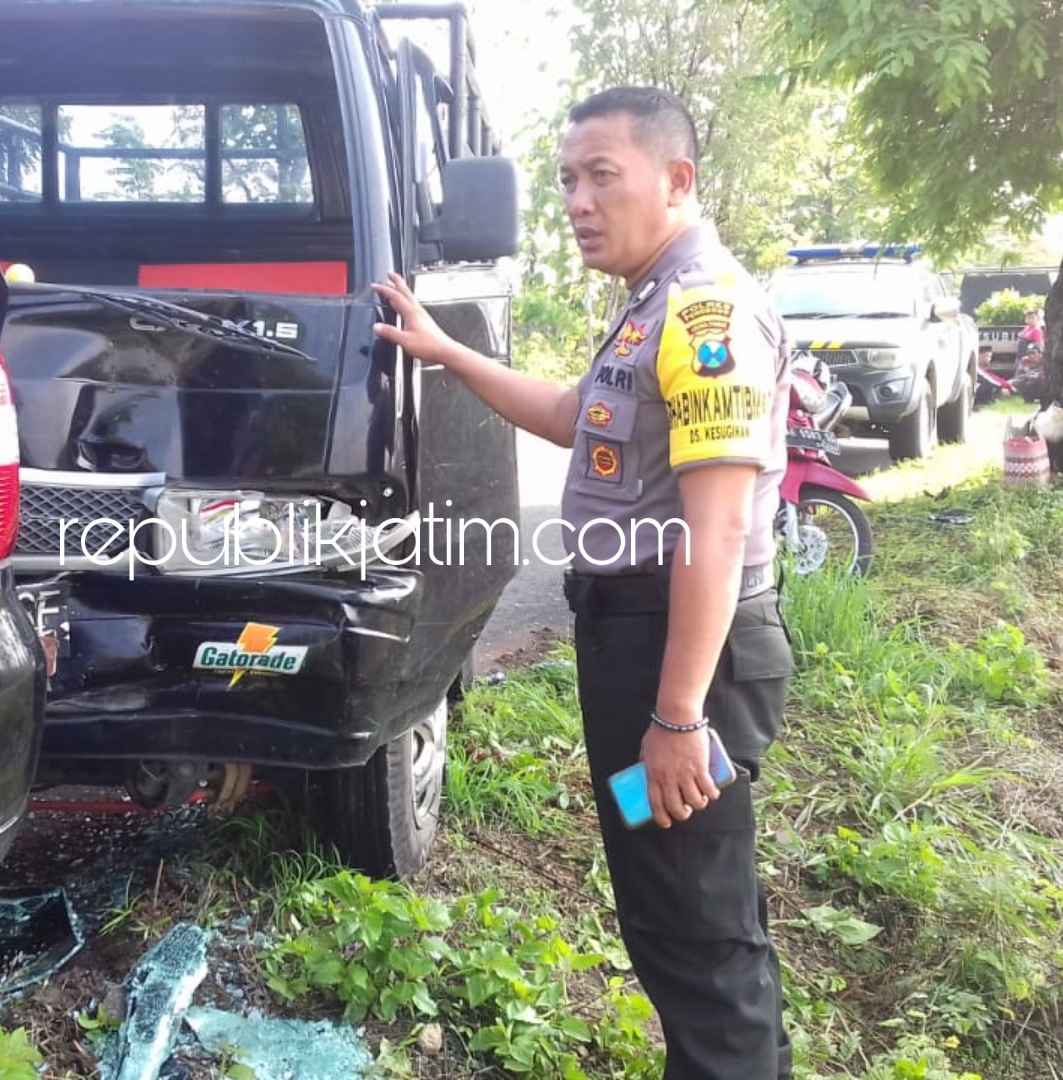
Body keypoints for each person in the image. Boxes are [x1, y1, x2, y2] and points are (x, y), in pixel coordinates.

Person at [372, 86, 795, 1079]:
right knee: (691, 912)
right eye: (568, 178)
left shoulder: (705, 313)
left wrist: (681, 715)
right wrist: (443, 350)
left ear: (677, 180)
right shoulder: (651, 306)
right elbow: (572, 413)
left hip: (680, 655)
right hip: (643, 644)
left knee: (691, 927)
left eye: (604, 175)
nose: (578, 200)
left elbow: (719, 528)